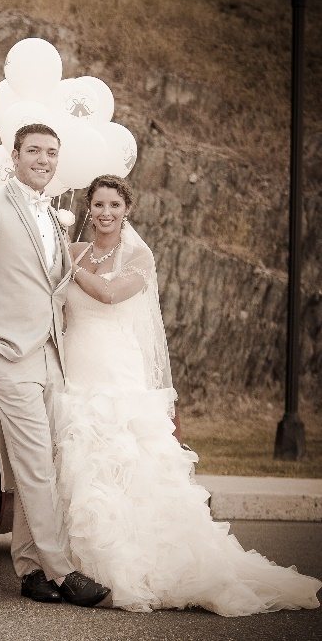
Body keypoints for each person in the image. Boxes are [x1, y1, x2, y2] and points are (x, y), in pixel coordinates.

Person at [56, 174, 321, 616]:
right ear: (88, 209)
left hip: (116, 374)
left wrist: (67, 262)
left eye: (113, 206)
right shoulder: (77, 250)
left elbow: (106, 294)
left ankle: (138, 565)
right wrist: (63, 251)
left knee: (127, 465)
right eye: (98, 205)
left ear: (127, 210)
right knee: (83, 467)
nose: (105, 213)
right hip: (77, 371)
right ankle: (81, 566)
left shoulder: (139, 256)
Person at [0, 123, 110, 607]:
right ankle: (63, 572)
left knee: (46, 466)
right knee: (36, 464)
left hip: (49, 356)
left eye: (51, 153)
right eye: (34, 151)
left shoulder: (54, 217)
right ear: (13, 155)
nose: (44, 159)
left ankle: (32, 570)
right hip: (8, 357)